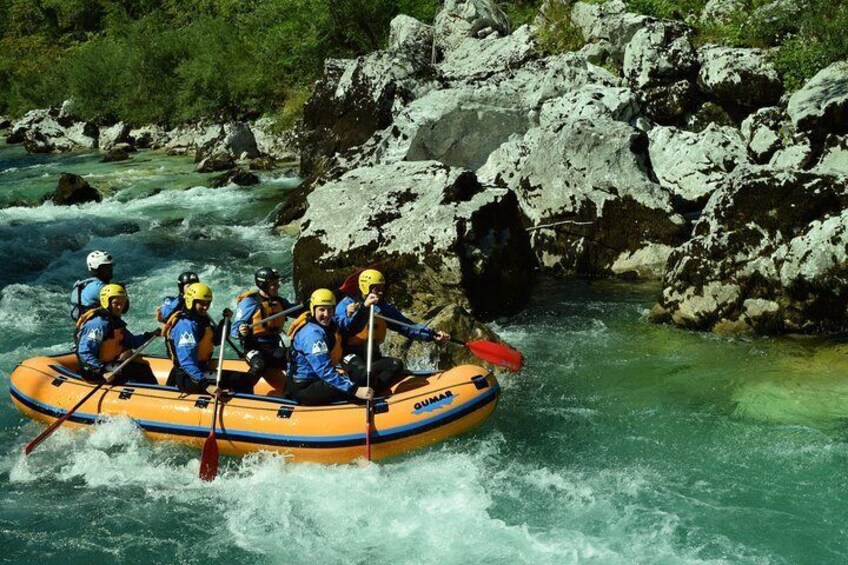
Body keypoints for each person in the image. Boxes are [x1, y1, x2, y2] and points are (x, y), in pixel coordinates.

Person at [335, 269, 450, 392]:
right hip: (350, 356)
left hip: (372, 355)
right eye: (376, 289)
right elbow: (345, 329)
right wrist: (363, 308)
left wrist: (431, 335)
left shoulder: (382, 307)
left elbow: (405, 325)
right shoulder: (346, 305)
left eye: (382, 288)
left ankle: (376, 392)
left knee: (396, 365)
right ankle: (358, 393)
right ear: (365, 288)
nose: (380, 292)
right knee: (364, 374)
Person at [287, 289, 374, 405]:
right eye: (321, 310)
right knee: (355, 387)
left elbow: (350, 326)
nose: (326, 314)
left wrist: (364, 308)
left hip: (319, 379)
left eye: (330, 309)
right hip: (306, 386)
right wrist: (355, 390)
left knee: (364, 377)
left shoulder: (330, 323)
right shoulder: (312, 335)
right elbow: (324, 370)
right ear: (313, 310)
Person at [164, 283, 255, 395]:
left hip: (201, 370)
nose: (205, 307)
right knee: (243, 380)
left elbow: (217, 340)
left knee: (243, 378)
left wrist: (225, 321)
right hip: (189, 378)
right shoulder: (186, 326)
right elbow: (187, 362)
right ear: (191, 302)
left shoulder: (200, 320)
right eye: (201, 303)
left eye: (208, 303)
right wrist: (206, 385)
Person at [75, 284, 159, 385]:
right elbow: (84, 353)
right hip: (93, 370)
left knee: (143, 366)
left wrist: (149, 335)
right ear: (107, 302)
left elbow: (132, 342)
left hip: (107, 365)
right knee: (140, 371)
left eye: (122, 303)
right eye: (116, 303)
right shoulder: (98, 324)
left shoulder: (114, 321)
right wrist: (103, 372)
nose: (119, 307)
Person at [230, 267, 295, 383]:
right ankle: (242, 389)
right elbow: (234, 330)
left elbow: (296, 311)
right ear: (263, 285)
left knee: (295, 357)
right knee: (259, 365)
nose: (277, 286)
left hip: (274, 347)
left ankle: (290, 389)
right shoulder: (249, 302)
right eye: (273, 284)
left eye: (277, 283)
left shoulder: (280, 302)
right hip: (254, 348)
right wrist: (242, 330)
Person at [69, 250, 115, 321]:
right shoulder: (99, 287)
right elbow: (121, 308)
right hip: (96, 324)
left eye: (110, 266)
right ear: (96, 269)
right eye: (106, 267)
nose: (110, 269)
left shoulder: (88, 283)